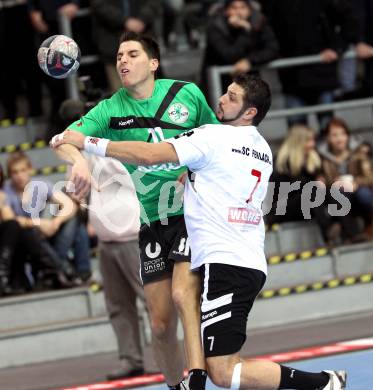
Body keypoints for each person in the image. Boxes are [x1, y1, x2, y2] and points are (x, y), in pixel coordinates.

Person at [52, 73, 347, 390]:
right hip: (244, 259)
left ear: (249, 112)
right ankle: (313, 383)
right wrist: (191, 177)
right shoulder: (262, 148)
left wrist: (87, 142)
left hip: (226, 263)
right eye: (226, 92)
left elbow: (150, 155)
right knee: (213, 355)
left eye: (232, 97)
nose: (221, 99)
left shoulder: (213, 137)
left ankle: (321, 383)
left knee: (224, 371)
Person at [51, 32, 220, 390]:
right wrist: (78, 162)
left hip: (193, 213)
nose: (123, 61)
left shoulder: (185, 94)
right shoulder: (111, 109)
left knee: (183, 294)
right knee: (160, 324)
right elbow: (66, 140)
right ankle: (177, 384)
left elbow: (219, 142)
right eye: (118, 56)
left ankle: (199, 381)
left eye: (132, 54)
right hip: (152, 222)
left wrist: (195, 175)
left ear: (153, 63)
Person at [86, 153, 146, 380]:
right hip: (106, 239)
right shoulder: (87, 146)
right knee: (118, 305)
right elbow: (61, 143)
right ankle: (130, 359)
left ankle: (171, 357)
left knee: (153, 301)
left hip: (133, 235)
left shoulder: (128, 140)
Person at [201, 0, 278, 101]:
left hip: (249, 82)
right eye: (234, 8)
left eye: (243, 7)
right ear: (226, 11)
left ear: (249, 10)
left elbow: (272, 49)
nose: (239, 12)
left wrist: (250, 61)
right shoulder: (216, 26)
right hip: (220, 83)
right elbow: (229, 55)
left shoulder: (258, 21)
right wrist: (245, 31)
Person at [318, 118, 373, 243]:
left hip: (359, 190)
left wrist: (355, 183)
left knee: (363, 194)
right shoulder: (322, 157)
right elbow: (322, 180)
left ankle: (368, 223)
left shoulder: (358, 152)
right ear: (327, 138)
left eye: (343, 134)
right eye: (334, 135)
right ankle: (351, 233)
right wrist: (333, 182)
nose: (339, 138)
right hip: (339, 195)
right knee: (335, 194)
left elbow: (370, 177)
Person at [90, 0, 161, 92]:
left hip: (144, 39)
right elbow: (99, 5)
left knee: (150, 91)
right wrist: (124, 21)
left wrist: (142, 19)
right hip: (111, 43)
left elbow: (154, 3)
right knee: (121, 94)